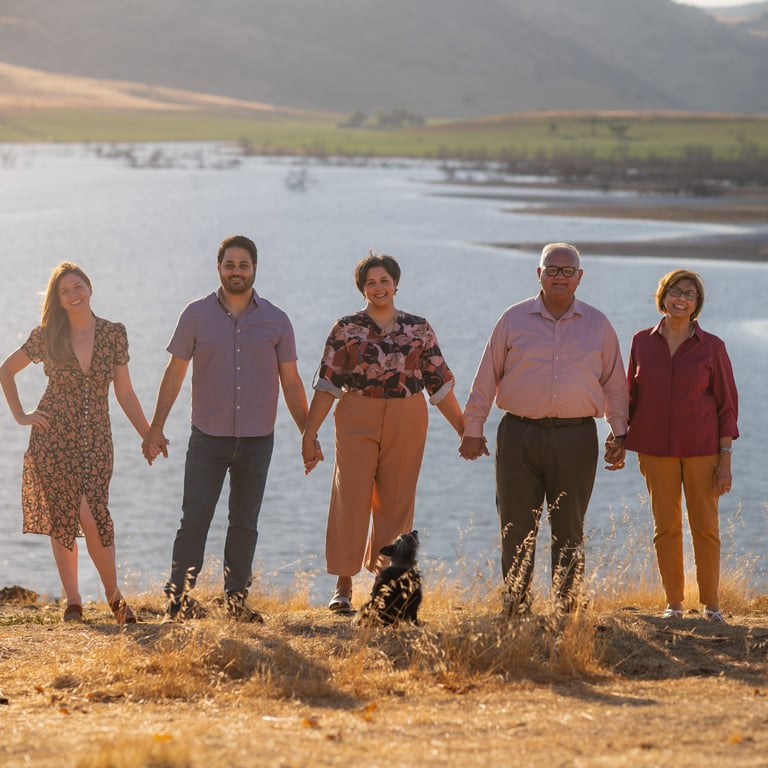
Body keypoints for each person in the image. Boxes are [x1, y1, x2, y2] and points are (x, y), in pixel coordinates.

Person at [141, 235, 311, 623]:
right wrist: (156, 427)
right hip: (207, 439)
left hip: (257, 440)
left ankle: (235, 603)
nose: (237, 271)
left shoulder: (277, 320)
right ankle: (178, 601)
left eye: (244, 264)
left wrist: (307, 432)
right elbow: (174, 373)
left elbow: (293, 383)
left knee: (245, 524)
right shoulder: (195, 314)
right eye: (230, 264)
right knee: (194, 520)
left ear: (254, 268)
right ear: (218, 268)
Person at [459, 243, 628, 615]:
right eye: (552, 269)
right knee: (516, 527)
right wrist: (473, 427)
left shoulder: (598, 325)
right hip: (519, 434)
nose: (559, 276)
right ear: (539, 274)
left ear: (580, 278)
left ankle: (567, 607)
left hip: (576, 437)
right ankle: (517, 605)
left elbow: (616, 383)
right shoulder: (513, 319)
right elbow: (487, 376)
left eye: (568, 271)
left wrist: (619, 432)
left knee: (569, 527)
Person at [301, 250, 464, 613]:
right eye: (371, 282)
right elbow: (328, 384)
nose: (378, 287)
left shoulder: (418, 327)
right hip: (357, 412)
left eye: (384, 281)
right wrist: (310, 434)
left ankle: (385, 588)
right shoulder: (345, 328)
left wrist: (465, 431)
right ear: (362, 288)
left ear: (396, 284)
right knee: (352, 498)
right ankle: (343, 587)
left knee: (396, 501)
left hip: (408, 414)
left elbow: (439, 385)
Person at [0, 263, 150, 624]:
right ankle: (74, 602)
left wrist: (148, 433)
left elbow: (125, 391)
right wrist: (21, 415)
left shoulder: (114, 334)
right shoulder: (47, 335)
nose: (73, 294)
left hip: (97, 439)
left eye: (78, 286)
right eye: (65, 290)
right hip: (52, 438)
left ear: (90, 287)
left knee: (93, 514)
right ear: (58, 299)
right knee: (64, 517)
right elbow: (5, 370)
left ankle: (114, 599)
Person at [625, 270, 738, 623]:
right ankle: (674, 604)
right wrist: (618, 438)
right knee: (666, 527)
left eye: (689, 293)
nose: (681, 298)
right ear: (663, 296)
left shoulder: (713, 347)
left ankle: (712, 607)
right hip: (655, 451)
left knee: (705, 527)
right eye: (675, 290)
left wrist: (725, 460)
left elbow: (727, 406)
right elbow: (630, 396)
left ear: (696, 304)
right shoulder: (641, 341)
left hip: (703, 450)